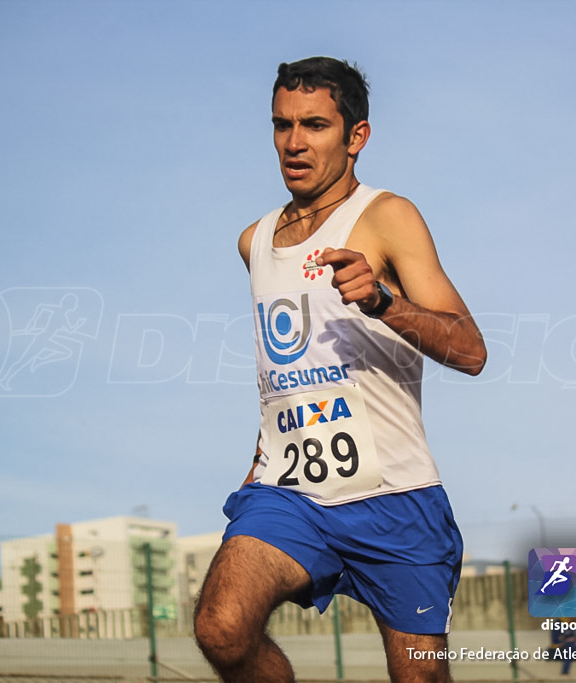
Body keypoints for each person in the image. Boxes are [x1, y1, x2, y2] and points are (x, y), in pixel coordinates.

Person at [193, 56, 487, 683]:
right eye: (282, 124)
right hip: (290, 491)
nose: (294, 142)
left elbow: (470, 350)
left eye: (315, 125)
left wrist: (385, 302)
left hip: (395, 498)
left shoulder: (388, 217)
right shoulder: (255, 240)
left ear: (356, 137)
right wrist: (264, 446)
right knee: (221, 628)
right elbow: (290, 361)